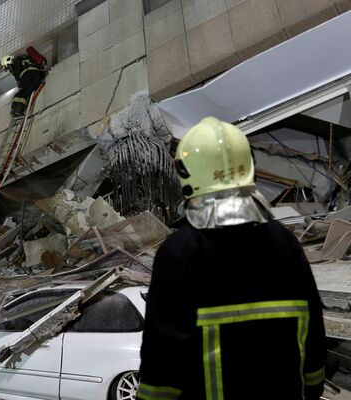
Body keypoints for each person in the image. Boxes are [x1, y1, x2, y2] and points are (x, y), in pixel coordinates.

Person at [137, 117, 326, 400]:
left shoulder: (178, 254)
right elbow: (313, 336)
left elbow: (162, 361)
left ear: (187, 176)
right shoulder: (285, 243)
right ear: (249, 167)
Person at [0, 49, 46, 118]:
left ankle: (17, 110)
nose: (9, 70)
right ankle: (19, 109)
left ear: (8, 61)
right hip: (38, 75)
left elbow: (18, 75)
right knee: (28, 91)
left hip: (27, 75)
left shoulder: (16, 61)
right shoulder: (26, 57)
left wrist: (19, 83)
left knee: (19, 94)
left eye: (8, 67)